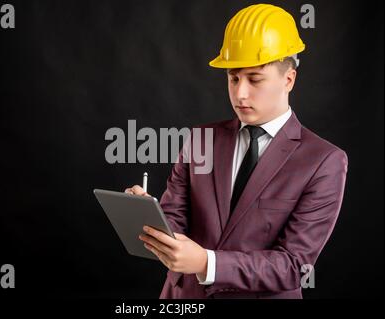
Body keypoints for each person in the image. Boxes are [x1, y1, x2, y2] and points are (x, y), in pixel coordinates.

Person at [125, 3, 348, 299]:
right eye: (233, 78)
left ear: (289, 79)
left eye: (255, 79)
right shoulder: (201, 139)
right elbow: (175, 221)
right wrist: (151, 218)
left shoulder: (324, 161)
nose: (240, 93)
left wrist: (207, 262)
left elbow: (294, 266)